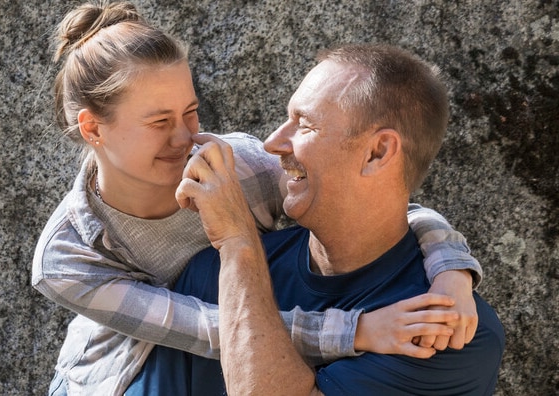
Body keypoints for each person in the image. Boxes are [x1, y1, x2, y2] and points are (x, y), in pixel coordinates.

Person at [32, 3, 484, 395]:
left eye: (190, 111)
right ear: (93, 129)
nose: (185, 136)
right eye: (159, 122)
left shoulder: (240, 169)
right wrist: (359, 331)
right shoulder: (67, 254)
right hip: (116, 375)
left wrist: (451, 271)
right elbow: (209, 328)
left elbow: (378, 199)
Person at [159, 43, 505, 395]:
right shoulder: (208, 276)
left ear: (377, 152)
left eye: (304, 124)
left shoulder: (446, 330)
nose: (273, 142)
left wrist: (237, 242)